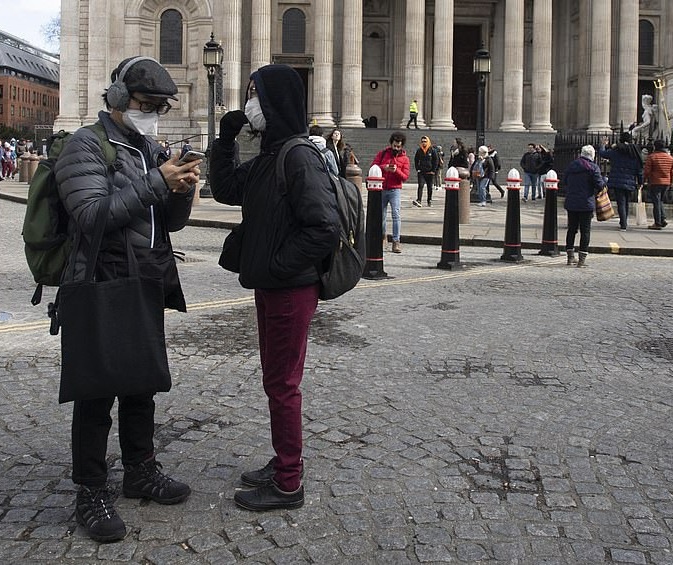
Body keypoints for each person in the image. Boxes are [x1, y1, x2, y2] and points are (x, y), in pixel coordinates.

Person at [55, 56, 200, 542]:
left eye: (160, 106)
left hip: (146, 278)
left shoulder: (147, 147)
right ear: (117, 99)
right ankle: (91, 489)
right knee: (95, 392)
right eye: (145, 104)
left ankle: (140, 469)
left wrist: (181, 190)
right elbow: (92, 214)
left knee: (141, 384)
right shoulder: (84, 146)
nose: (153, 113)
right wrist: (158, 180)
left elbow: (169, 223)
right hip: (100, 279)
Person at [209, 64, 340, 512]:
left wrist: (279, 265)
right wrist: (225, 139)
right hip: (271, 285)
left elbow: (324, 227)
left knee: (283, 384)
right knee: (275, 380)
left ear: (275, 102)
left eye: (255, 96)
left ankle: (288, 482)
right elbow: (226, 189)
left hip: (288, 288)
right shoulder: (272, 154)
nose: (249, 104)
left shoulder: (298, 156)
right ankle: (285, 460)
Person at [562, 145, 605, 267]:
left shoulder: (572, 166)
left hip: (571, 202)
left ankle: (570, 258)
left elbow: (564, 181)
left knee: (572, 229)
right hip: (586, 203)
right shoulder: (593, 168)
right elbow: (600, 185)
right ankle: (581, 260)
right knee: (585, 231)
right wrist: (605, 181)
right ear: (592, 155)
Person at [372, 132, 410, 253]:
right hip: (382, 188)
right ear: (391, 143)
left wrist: (396, 171)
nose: (396, 148)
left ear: (402, 146)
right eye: (394, 145)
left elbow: (405, 177)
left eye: (398, 146)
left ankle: (396, 241)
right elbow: (373, 167)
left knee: (396, 214)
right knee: (381, 215)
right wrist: (385, 167)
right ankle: (383, 237)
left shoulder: (405, 159)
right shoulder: (383, 154)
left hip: (395, 189)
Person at [599, 132, 643, 231]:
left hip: (618, 181)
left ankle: (623, 223)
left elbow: (603, 154)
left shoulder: (616, 151)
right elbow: (639, 170)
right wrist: (640, 182)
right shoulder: (635, 152)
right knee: (626, 202)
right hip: (630, 181)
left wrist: (603, 145)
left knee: (621, 202)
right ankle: (624, 221)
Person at [643, 139, 673, 229]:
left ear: (655, 147)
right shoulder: (670, 158)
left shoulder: (652, 157)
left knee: (656, 202)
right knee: (660, 201)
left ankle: (657, 222)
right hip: (666, 182)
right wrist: (671, 182)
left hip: (655, 182)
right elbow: (672, 172)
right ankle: (662, 218)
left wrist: (644, 180)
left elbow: (647, 171)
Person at [413, 135, 439, 207]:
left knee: (429, 187)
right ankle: (419, 200)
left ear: (428, 142)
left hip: (430, 172)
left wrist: (433, 170)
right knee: (420, 186)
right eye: (422, 142)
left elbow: (436, 160)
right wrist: (417, 168)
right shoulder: (419, 150)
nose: (423, 143)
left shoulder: (432, 150)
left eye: (425, 141)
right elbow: (416, 160)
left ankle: (429, 200)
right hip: (421, 171)